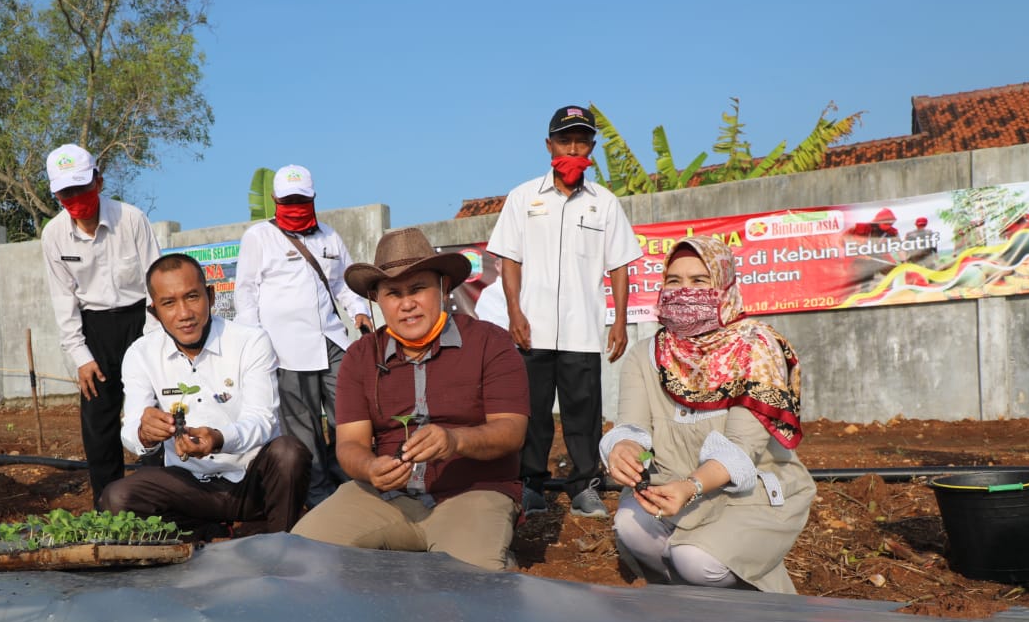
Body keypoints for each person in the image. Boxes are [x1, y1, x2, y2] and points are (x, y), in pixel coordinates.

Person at [292, 227, 529, 571]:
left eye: (418, 289)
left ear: (443, 287)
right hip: (384, 497)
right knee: (302, 557)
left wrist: (455, 440)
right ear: (376, 298)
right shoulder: (359, 357)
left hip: (471, 493)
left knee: (475, 587)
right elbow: (350, 445)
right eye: (393, 293)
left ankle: (487, 550)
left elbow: (511, 432)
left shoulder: (490, 343)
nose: (407, 304)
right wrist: (371, 467)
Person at [601, 236, 814, 593]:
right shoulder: (645, 354)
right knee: (630, 527)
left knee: (695, 560)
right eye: (674, 281)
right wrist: (623, 448)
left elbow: (742, 448)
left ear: (724, 285)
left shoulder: (756, 348)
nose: (685, 292)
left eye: (700, 282)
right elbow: (636, 429)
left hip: (747, 494)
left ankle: (757, 610)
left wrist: (692, 486)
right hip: (671, 485)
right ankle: (679, 610)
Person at [486, 105, 643, 519]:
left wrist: (621, 320)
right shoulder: (523, 198)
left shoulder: (605, 203)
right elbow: (510, 261)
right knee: (532, 411)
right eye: (565, 140)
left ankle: (584, 486)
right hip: (532, 328)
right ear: (549, 145)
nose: (573, 148)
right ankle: (532, 485)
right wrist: (515, 313)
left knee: (583, 413)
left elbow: (620, 265)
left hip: (583, 328)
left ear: (592, 146)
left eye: (581, 140)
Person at [98, 253, 310, 533]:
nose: (184, 313)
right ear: (154, 312)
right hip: (189, 485)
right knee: (117, 498)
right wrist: (143, 433)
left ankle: (279, 544)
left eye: (192, 297)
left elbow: (262, 420)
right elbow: (132, 427)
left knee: (289, 453)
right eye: (169, 303)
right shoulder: (141, 354)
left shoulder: (250, 341)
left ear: (210, 296)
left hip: (250, 481)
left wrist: (219, 439)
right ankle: (216, 534)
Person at [234, 164, 371, 507]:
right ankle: (320, 499)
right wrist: (257, 343)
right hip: (284, 349)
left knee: (349, 417)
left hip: (333, 340)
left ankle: (351, 489)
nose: (295, 206)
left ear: (313, 198)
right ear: (274, 199)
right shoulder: (258, 237)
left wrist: (361, 311)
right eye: (289, 200)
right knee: (303, 430)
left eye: (302, 199)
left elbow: (343, 283)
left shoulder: (330, 236)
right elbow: (245, 293)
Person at [41, 143, 162, 505]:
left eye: (81, 188)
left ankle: (161, 497)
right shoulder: (54, 235)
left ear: (99, 180)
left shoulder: (132, 219)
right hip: (94, 331)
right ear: (57, 194)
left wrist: (152, 344)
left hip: (142, 321)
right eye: (66, 192)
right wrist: (80, 355)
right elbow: (64, 300)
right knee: (99, 421)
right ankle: (108, 505)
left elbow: (154, 283)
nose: (76, 198)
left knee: (152, 412)